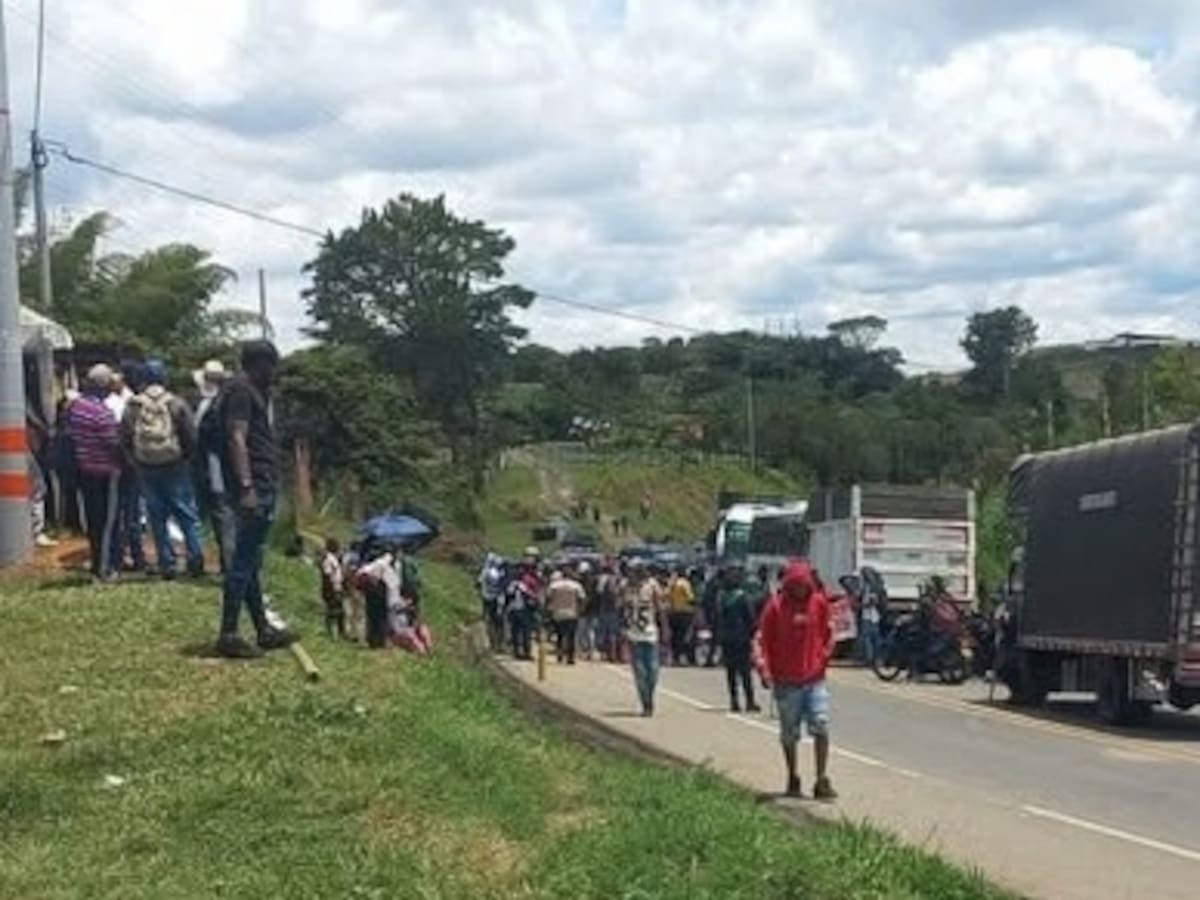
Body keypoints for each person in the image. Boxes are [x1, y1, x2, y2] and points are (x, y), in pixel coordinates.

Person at [215, 341, 296, 659]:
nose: (274, 374)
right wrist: (247, 486)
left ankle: (261, 627)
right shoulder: (241, 392)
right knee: (243, 562)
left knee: (250, 561)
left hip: (260, 483)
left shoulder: (246, 391)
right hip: (254, 487)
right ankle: (229, 632)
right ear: (261, 364)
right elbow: (237, 437)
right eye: (272, 366)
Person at [756, 560, 837, 801]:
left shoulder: (819, 603)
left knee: (821, 726)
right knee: (789, 734)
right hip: (786, 682)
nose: (801, 590)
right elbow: (762, 641)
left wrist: (823, 657)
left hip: (814, 679)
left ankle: (821, 778)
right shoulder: (775, 607)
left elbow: (829, 633)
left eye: (804, 585)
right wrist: (764, 669)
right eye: (796, 585)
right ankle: (793, 775)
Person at [122, 359, 205, 579]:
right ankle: (195, 561)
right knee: (187, 515)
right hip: (175, 465)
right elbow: (191, 435)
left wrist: (135, 460)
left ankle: (166, 565)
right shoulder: (176, 403)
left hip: (146, 467)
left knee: (156, 517)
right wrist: (186, 458)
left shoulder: (133, 405)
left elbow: (124, 437)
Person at [66, 365, 122, 581]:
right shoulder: (103, 413)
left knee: (92, 520)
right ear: (106, 385)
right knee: (106, 522)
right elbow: (113, 443)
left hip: (82, 469)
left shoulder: (76, 407)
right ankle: (103, 569)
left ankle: (96, 563)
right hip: (105, 471)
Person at [194, 360, 235, 574]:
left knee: (212, 516)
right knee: (225, 517)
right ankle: (229, 564)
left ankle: (200, 561)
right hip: (229, 469)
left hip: (210, 468)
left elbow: (198, 437)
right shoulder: (231, 402)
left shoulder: (206, 406)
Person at [106, 368, 146, 574]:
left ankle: (118, 557)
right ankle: (138, 557)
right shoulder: (138, 401)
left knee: (120, 513)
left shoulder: (113, 404)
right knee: (134, 513)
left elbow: (119, 437)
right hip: (139, 463)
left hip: (120, 464)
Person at [715, 565, 760, 713]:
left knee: (731, 672)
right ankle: (750, 701)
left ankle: (734, 701)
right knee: (745, 672)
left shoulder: (721, 597)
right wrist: (753, 634)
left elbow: (718, 617)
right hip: (741, 638)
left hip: (727, 638)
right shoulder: (743, 597)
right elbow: (751, 619)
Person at [623, 562, 663, 716]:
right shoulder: (626, 587)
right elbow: (622, 608)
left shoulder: (652, 585)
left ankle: (650, 695)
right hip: (633, 634)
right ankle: (646, 703)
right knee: (640, 671)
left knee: (653, 670)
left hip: (651, 632)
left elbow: (660, 607)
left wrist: (665, 628)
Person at [546, 567, 586, 665]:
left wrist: (548, 610)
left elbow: (548, 598)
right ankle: (570, 658)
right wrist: (580, 611)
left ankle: (559, 655)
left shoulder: (554, 585)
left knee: (559, 635)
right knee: (571, 636)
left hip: (558, 613)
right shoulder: (576, 586)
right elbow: (582, 599)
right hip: (571, 613)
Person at [666, 566, 697, 666]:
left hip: (672, 612)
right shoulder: (684, 583)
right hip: (684, 612)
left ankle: (675, 658)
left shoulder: (671, 583)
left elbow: (666, 595)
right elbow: (690, 598)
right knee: (683, 637)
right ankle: (681, 658)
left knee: (675, 637)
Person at [320, 537, 346, 639]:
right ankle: (330, 632)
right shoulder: (328, 560)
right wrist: (332, 591)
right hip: (331, 589)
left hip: (336, 587)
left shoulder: (334, 559)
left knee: (340, 611)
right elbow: (327, 576)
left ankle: (341, 632)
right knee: (332, 610)